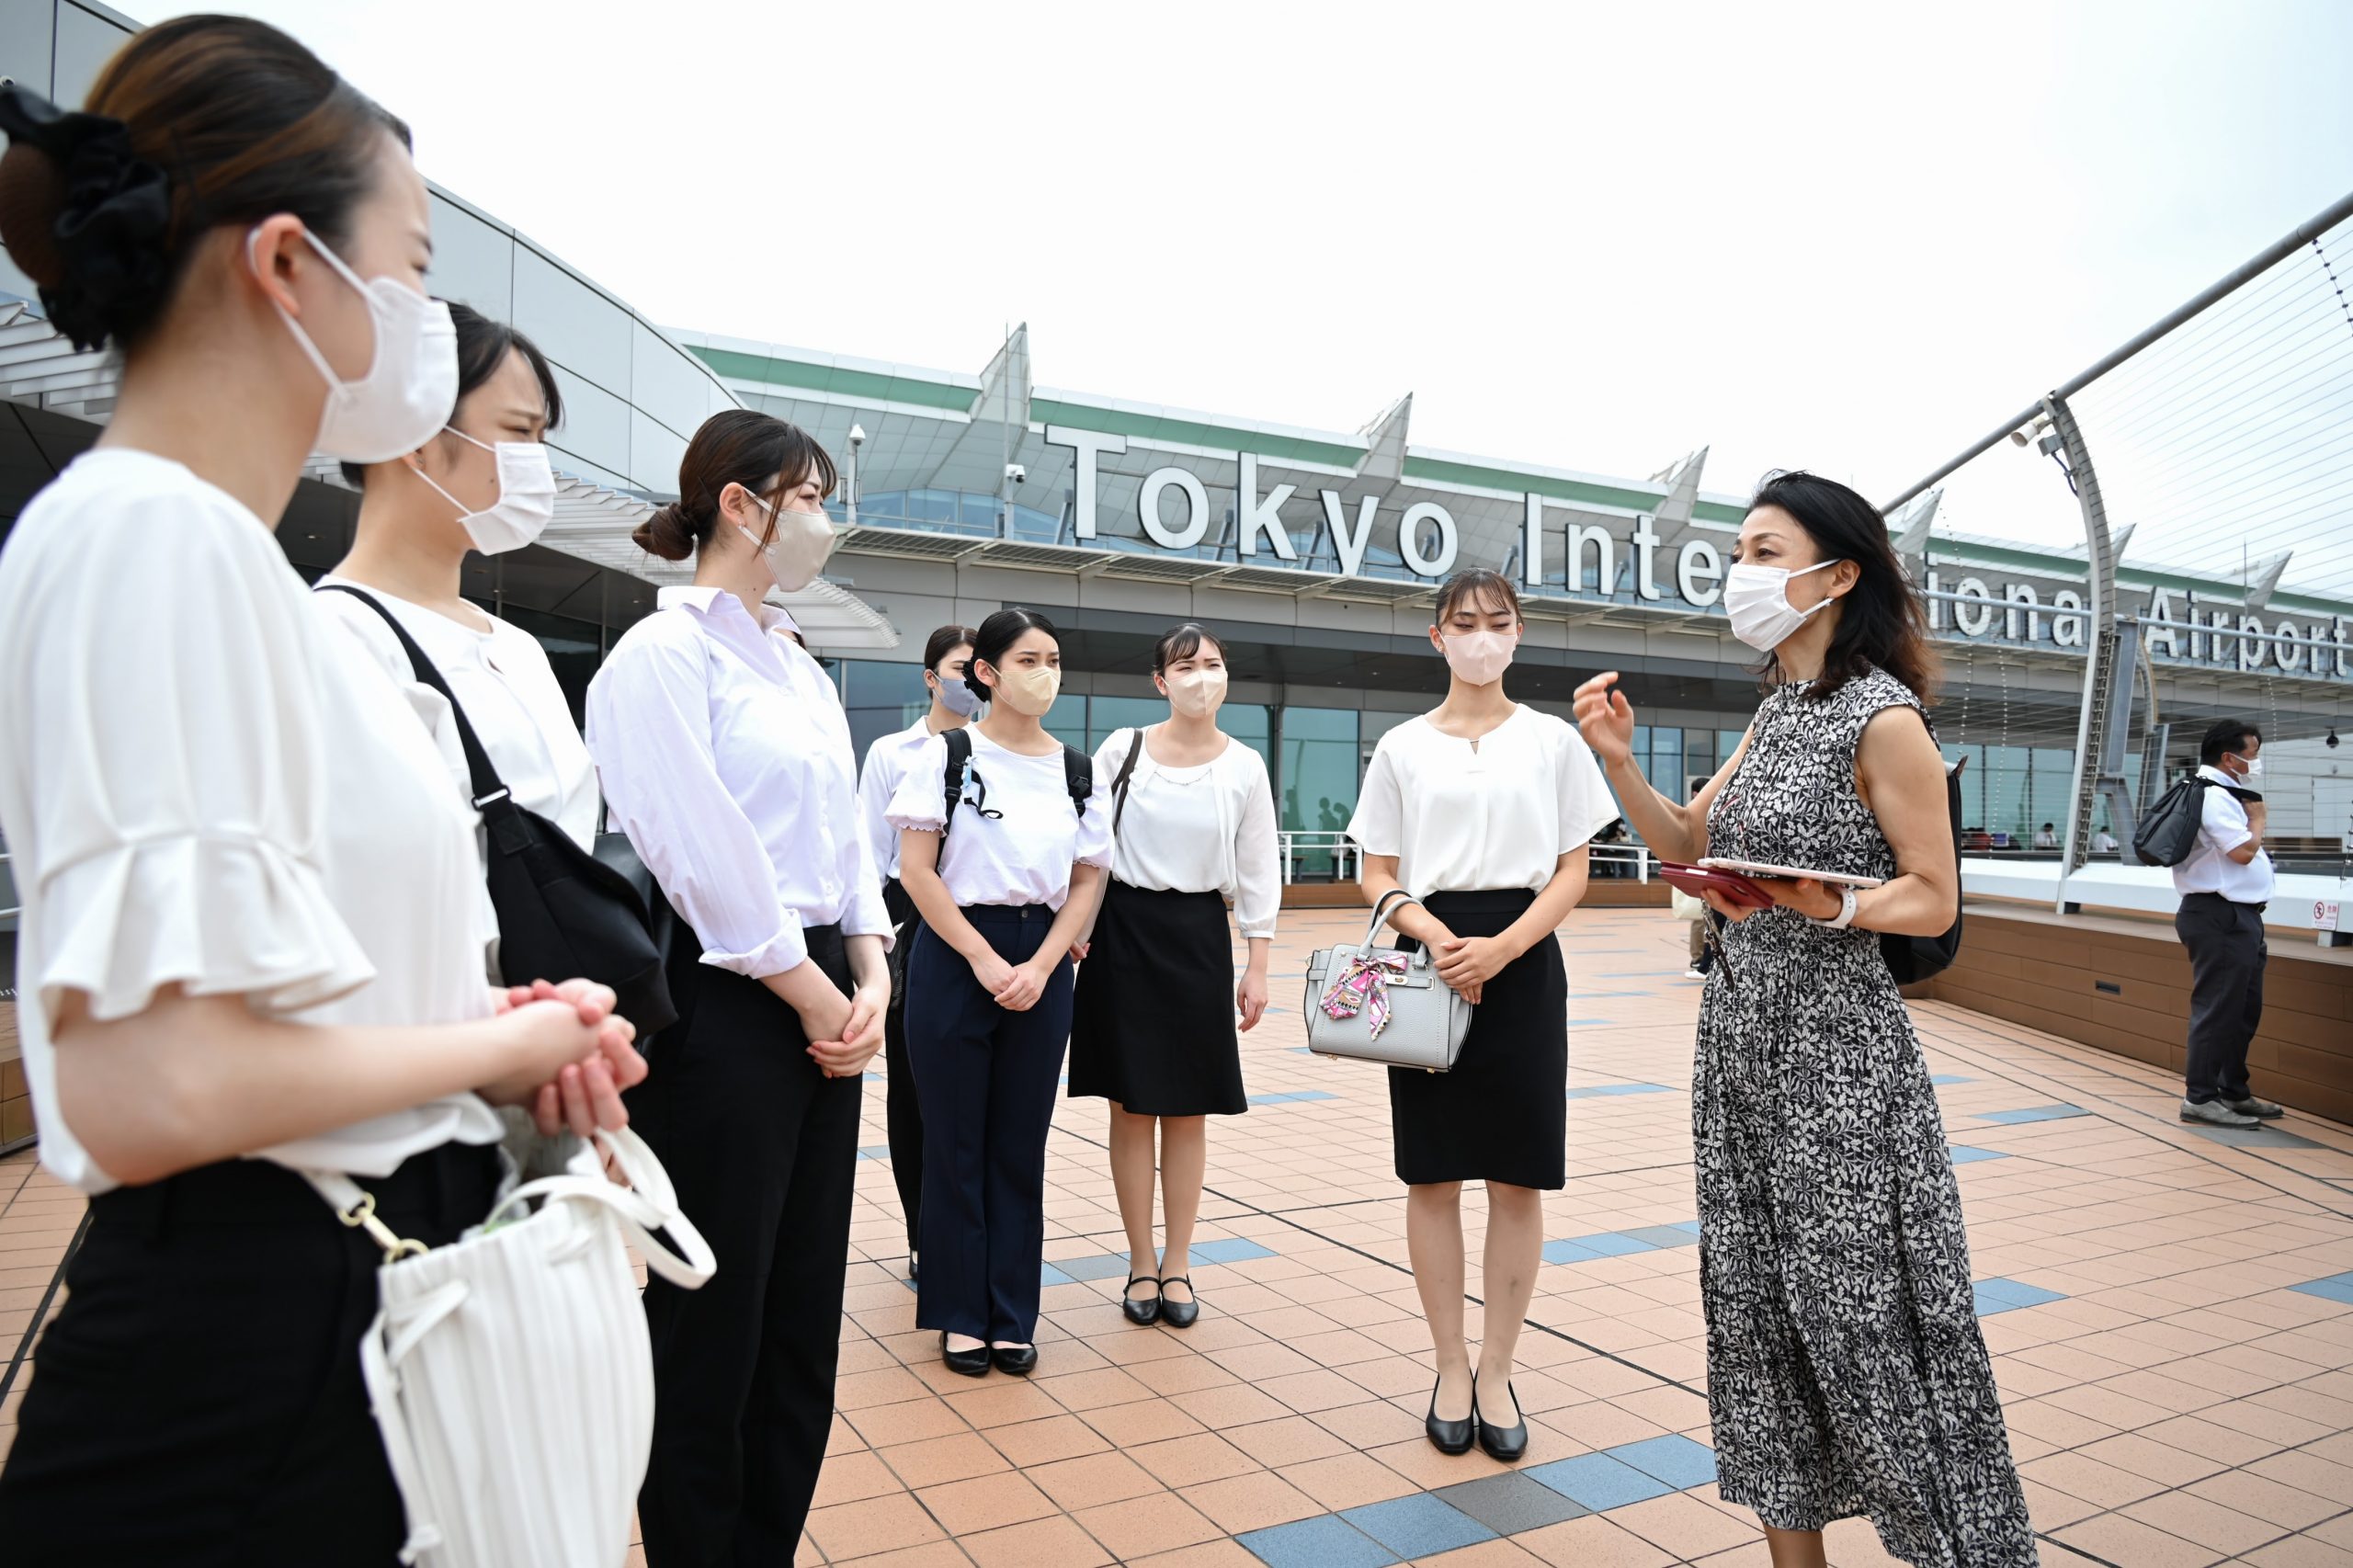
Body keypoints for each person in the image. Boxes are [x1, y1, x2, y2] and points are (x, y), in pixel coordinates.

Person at [0, 23, 637, 1559]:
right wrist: (514, 1040)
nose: (424, 323)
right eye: (409, 270)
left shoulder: (235, 568)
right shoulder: (151, 537)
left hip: (335, 1320)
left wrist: (482, 1039)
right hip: (246, 1352)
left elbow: (265, 1022)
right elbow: (147, 1089)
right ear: (286, 264)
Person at [1575, 471, 2033, 1568]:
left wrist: (1830, 900)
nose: (1741, 573)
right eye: (1739, 551)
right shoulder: (1779, 709)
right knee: (1756, 1313)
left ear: (1836, 573)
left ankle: (1951, 1546)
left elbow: (1933, 892)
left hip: (1836, 1054)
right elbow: (1687, 834)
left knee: (1863, 1322)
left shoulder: (1883, 716)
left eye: (1763, 550)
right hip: (1738, 1045)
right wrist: (1619, 764)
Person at [586, 408, 891, 1562]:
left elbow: (844, 839)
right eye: (807, 494)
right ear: (742, 503)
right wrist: (813, 994)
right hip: (727, 1005)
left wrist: (870, 969)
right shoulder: (661, 656)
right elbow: (698, 848)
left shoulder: (796, 660)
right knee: (714, 1317)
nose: (821, 518)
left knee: (801, 1316)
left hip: (826, 992)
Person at [1348, 568, 1614, 1464]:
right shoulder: (1400, 746)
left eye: (1496, 621)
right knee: (1432, 1173)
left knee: (1515, 1175)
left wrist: (1500, 948)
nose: (1480, 635)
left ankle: (1499, 1366)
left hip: (1524, 961)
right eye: (1463, 622)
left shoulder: (1553, 743)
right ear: (1436, 636)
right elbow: (1375, 870)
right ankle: (1449, 1364)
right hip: (1428, 962)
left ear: (1518, 632)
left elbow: (1575, 870)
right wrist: (1432, 932)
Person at [889, 607, 1110, 1377]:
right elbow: (918, 872)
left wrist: (1045, 966)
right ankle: (959, 1313)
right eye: (1027, 659)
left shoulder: (1079, 770)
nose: (1043, 673)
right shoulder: (946, 756)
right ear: (986, 672)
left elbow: (1088, 883)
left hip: (1042, 961)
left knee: (1018, 1145)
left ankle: (1011, 1312)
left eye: (1052, 658)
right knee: (953, 1144)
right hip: (955, 955)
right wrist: (984, 961)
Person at [316, 302, 592, 848]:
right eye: (519, 431)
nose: (537, 464)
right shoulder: (334, 638)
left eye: (542, 439)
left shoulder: (518, 648)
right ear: (415, 436)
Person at [1069, 623, 1279, 1329]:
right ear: (1160, 681)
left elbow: (1257, 869)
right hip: (1121, 934)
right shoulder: (1122, 749)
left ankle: (1180, 1265)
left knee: (1187, 1109)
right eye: (1184, 667)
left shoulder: (1244, 765)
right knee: (1130, 1108)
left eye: (1213, 664)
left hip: (1197, 937)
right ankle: (1138, 1262)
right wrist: (1076, 932)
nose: (1200, 677)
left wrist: (1258, 964)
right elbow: (1092, 853)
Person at [855, 622, 981, 1272]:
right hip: (910, 926)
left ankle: (973, 1232)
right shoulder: (891, 753)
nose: (972, 679)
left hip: (987, 926)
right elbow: (871, 860)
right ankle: (921, 1236)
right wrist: (875, 958)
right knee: (913, 1093)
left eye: (979, 667)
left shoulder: (1003, 749)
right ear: (931, 678)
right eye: (961, 668)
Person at [2172, 719, 2284, 1130]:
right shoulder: (2214, 796)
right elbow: (2240, 853)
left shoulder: (2216, 792)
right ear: (2229, 758)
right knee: (2218, 1009)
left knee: (2242, 1009)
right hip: (2219, 916)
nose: (2255, 762)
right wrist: (2258, 818)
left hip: (2237, 916)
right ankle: (2200, 1098)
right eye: (2252, 754)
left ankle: (2233, 1090)